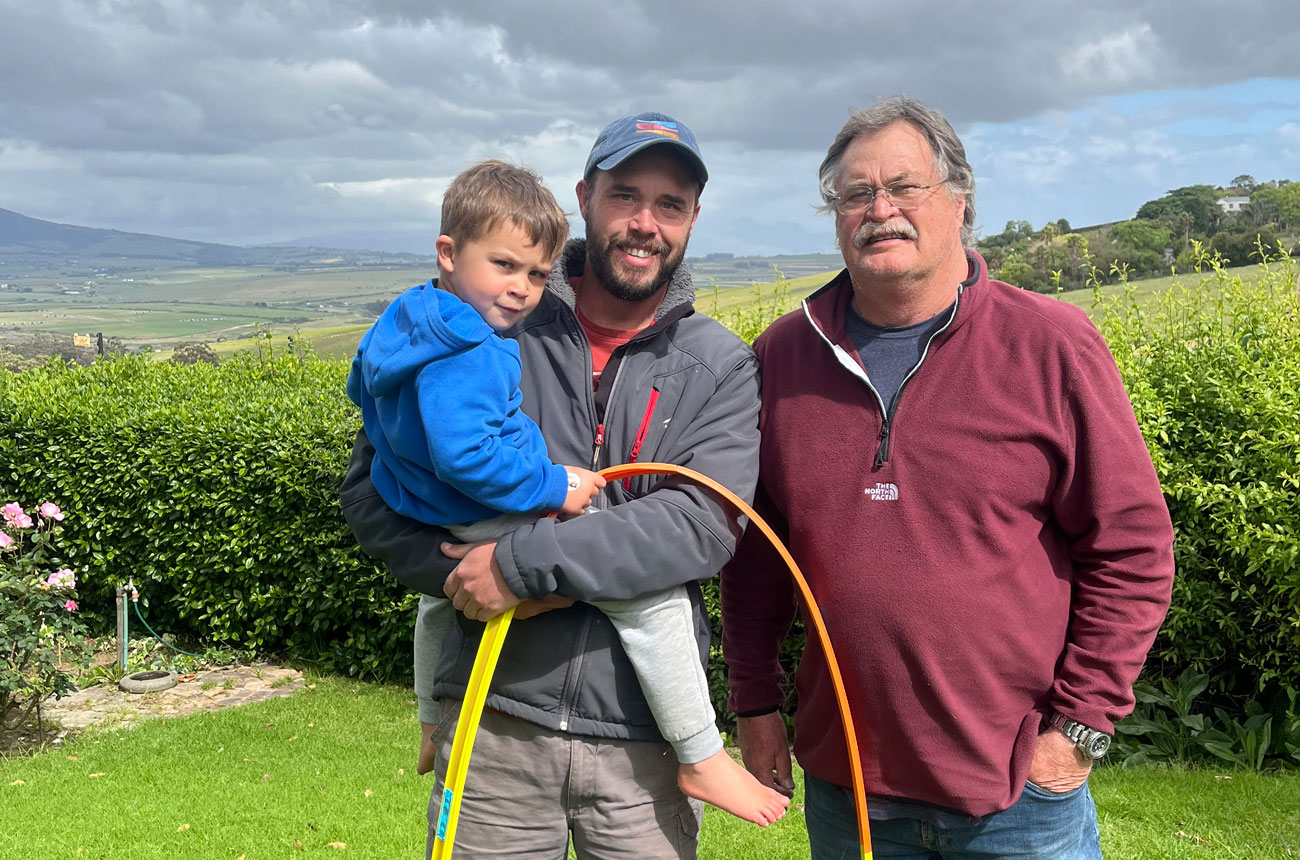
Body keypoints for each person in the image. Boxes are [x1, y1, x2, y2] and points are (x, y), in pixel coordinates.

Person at [720, 96, 1176, 860]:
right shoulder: (781, 356)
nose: (880, 210)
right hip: (850, 794)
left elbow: (1132, 547)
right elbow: (758, 558)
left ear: (960, 203)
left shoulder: (1052, 345)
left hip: (1019, 798)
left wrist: (1080, 731)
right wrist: (755, 703)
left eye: (905, 187)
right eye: (856, 193)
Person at [340, 112, 786, 860]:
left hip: (643, 754)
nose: (645, 223)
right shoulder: (489, 322)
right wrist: (467, 575)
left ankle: (699, 756)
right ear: (585, 197)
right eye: (625, 195)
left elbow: (700, 527)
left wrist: (520, 573)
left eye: (670, 205)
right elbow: (378, 490)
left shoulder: (722, 365)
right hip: (492, 731)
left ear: (693, 219)